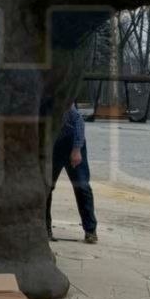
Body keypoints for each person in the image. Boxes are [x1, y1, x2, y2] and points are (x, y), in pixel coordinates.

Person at [46, 102, 97, 243]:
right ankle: (45, 228)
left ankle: (90, 230)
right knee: (46, 187)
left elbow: (78, 122)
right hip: (52, 144)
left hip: (72, 142)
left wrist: (76, 150)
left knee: (82, 186)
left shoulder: (64, 103)